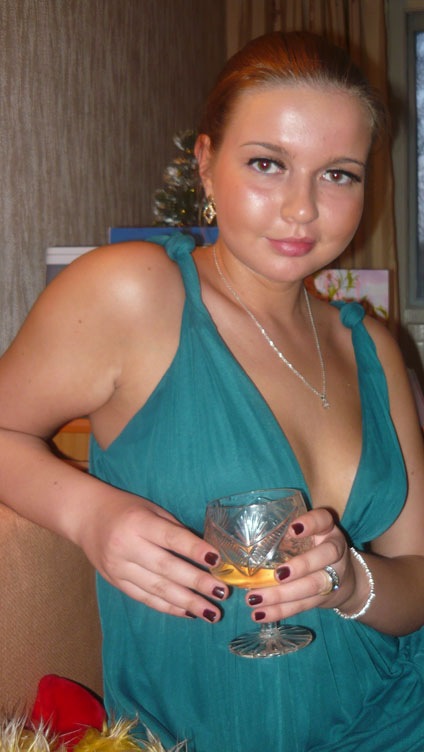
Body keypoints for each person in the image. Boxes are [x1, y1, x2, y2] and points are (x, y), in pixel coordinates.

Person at [0, 30, 423, 751]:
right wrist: (90, 515)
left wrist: (351, 582)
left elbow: (416, 581)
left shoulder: (374, 348)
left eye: (338, 174)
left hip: (397, 717)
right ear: (205, 162)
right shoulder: (135, 293)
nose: (301, 209)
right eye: (268, 164)